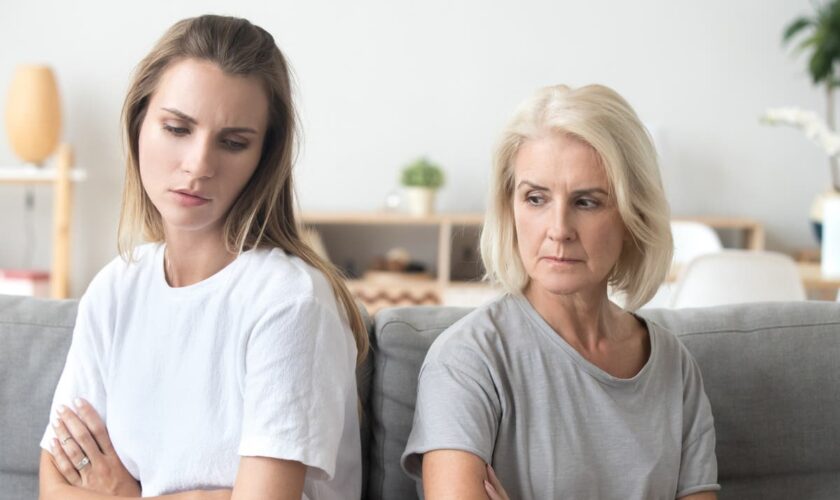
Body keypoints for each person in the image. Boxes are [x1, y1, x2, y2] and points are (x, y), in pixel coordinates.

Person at [38, 15, 367, 500]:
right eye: (176, 128)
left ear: (263, 157)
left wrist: (127, 495)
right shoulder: (114, 290)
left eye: (233, 143)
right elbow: (56, 484)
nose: (198, 165)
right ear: (138, 124)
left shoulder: (290, 302)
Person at [401, 84, 719, 499]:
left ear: (631, 214)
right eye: (536, 198)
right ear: (509, 209)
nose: (559, 230)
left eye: (586, 202)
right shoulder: (466, 362)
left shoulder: (674, 369)